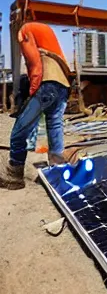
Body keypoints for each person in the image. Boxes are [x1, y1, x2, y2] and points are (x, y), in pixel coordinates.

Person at [0, 22, 71, 190]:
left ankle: (14, 176)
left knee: (19, 129)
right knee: (54, 125)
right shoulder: (46, 30)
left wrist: (32, 92)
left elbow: (35, 64)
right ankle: (57, 172)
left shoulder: (24, 31)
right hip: (62, 84)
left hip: (46, 83)